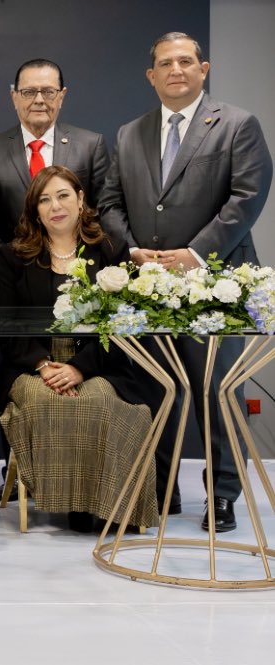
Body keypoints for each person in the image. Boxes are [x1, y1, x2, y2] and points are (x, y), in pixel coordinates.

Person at [100, 31, 274, 532]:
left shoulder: (237, 124)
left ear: (204, 69)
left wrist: (196, 254)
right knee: (156, 390)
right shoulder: (129, 133)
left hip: (212, 285)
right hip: (146, 285)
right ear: (151, 75)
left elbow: (247, 196)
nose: (175, 70)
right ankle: (162, 488)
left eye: (184, 61)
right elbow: (110, 202)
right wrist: (132, 249)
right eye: (164, 63)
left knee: (216, 392)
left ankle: (222, 494)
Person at [0, 58, 109, 501]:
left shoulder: (90, 145)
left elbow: (103, 210)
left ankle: (81, 476)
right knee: (16, 368)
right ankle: (18, 472)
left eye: (48, 91)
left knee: (84, 376)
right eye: (29, 91)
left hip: (81, 275)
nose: (39, 100)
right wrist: (21, 262)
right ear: (14, 97)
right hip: (14, 281)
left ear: (62, 96)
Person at [0, 165, 157, 531]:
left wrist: (79, 368)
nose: (55, 206)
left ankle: (105, 504)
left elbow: (123, 324)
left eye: (63, 195)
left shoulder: (110, 250)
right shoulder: (13, 256)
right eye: (44, 200)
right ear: (35, 210)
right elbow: (8, 326)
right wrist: (44, 365)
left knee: (98, 401)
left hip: (99, 363)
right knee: (47, 401)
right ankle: (71, 503)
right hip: (33, 366)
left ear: (81, 199)